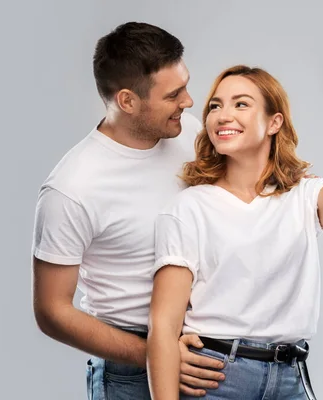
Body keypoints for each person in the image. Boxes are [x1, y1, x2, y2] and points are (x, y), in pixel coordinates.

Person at [147, 62, 323, 399]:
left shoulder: (303, 198)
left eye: (241, 104)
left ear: (274, 122)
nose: (222, 115)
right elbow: (163, 325)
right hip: (216, 377)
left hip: (290, 377)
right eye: (215, 106)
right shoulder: (187, 208)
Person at [31, 22, 226, 399]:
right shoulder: (72, 189)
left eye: (185, 85)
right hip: (131, 371)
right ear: (127, 101)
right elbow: (52, 311)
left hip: (207, 349)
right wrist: (156, 354)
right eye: (174, 94)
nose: (188, 102)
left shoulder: (187, 130)